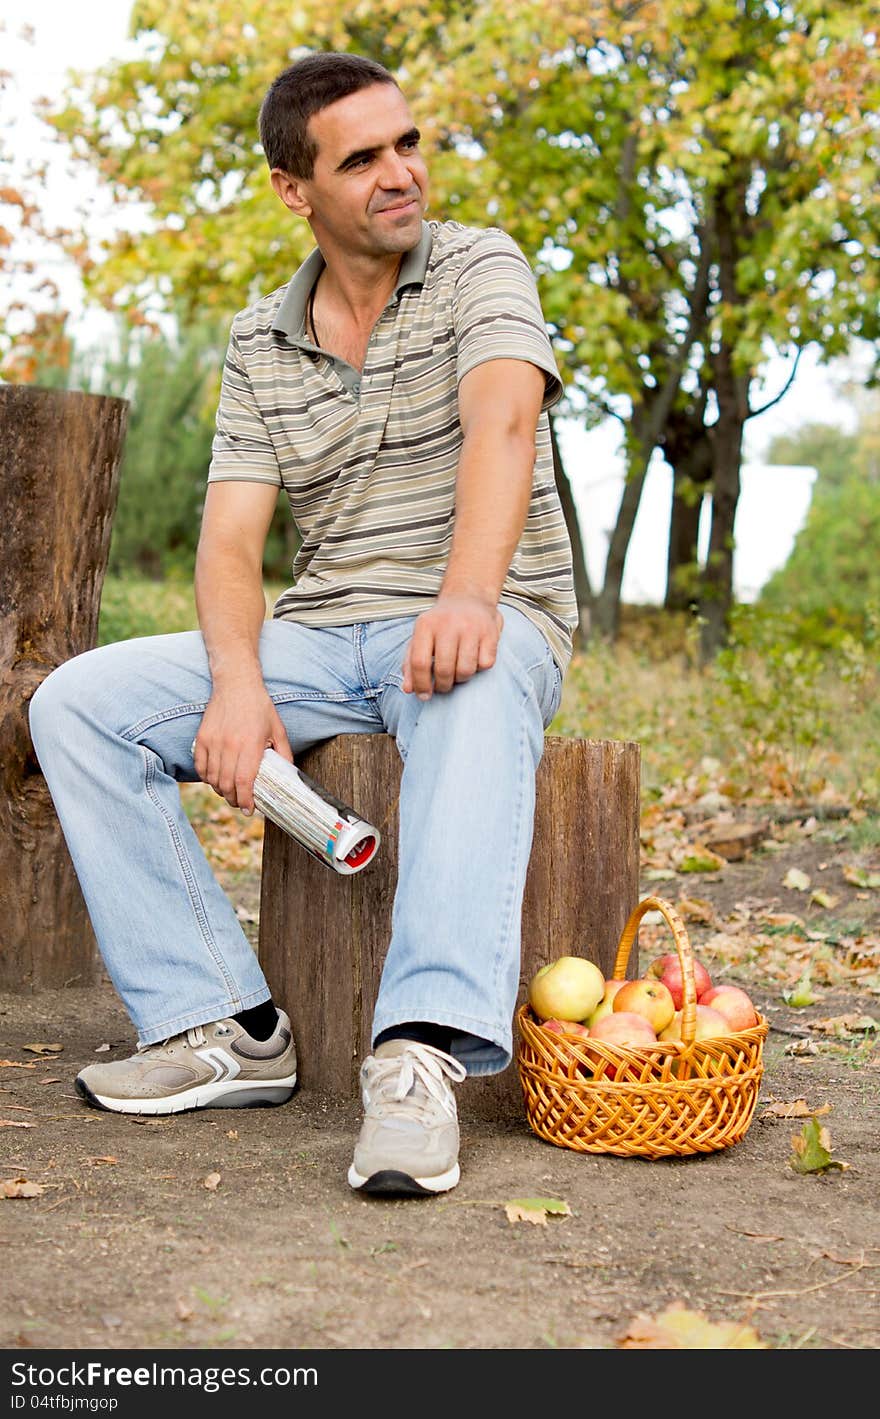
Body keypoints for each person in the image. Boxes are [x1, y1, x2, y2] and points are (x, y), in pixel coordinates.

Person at [28, 51, 578, 1198]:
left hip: (486, 615)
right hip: (323, 635)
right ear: (295, 189)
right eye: (363, 157)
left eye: (408, 144)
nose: (400, 174)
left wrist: (469, 594)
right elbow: (230, 544)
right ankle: (222, 1024)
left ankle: (418, 1056)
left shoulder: (482, 266)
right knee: (76, 703)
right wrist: (236, 683)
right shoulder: (258, 341)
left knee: (471, 686)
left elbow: (504, 426)